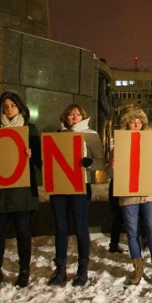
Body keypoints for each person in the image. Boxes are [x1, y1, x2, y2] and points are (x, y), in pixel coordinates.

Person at [0, 91, 41, 291]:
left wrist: (32, 155)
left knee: (23, 231)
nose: (9, 109)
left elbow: (40, 161)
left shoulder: (29, 130)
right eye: (5, 106)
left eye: (12, 105)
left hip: (21, 190)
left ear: (20, 108)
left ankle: (24, 270)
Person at [47, 104, 105, 287]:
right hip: (59, 187)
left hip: (80, 186)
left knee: (81, 228)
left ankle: (82, 269)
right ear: (65, 117)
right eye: (71, 114)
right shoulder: (57, 134)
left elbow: (100, 162)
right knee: (61, 228)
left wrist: (89, 163)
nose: (74, 117)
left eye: (78, 114)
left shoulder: (90, 134)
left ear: (83, 117)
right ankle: (61, 269)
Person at [115, 106, 152, 285]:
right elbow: (110, 173)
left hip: (148, 192)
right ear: (126, 123)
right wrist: (113, 165)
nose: (136, 124)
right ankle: (137, 269)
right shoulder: (119, 143)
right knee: (132, 232)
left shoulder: (150, 142)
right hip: (128, 193)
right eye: (132, 121)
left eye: (139, 121)